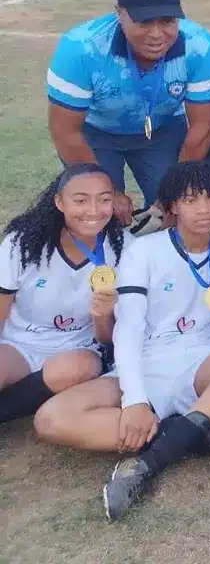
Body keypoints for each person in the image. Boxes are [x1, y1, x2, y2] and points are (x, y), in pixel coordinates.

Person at [32, 161, 210, 520]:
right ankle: (197, 426)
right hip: (144, 362)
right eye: (191, 200)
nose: (204, 209)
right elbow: (127, 330)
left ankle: (151, 461)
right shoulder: (144, 252)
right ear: (173, 206)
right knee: (51, 420)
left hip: (200, 361)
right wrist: (134, 401)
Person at [46, 0, 210, 226]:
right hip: (96, 132)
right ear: (119, 12)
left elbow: (203, 126)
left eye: (167, 20)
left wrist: (174, 191)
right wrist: (110, 192)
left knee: (178, 212)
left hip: (162, 130)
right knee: (99, 214)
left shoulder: (200, 47)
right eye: (144, 21)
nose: (156, 34)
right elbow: (65, 132)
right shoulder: (81, 48)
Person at [0, 165, 127, 427]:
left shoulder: (126, 249)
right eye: (81, 200)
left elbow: (107, 339)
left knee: (78, 370)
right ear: (59, 201)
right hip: (20, 344)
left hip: (78, 348)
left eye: (104, 200)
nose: (93, 211)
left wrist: (102, 315)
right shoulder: (21, 244)